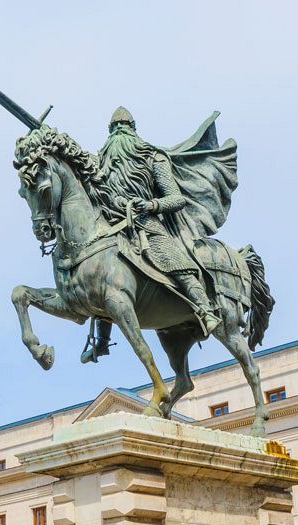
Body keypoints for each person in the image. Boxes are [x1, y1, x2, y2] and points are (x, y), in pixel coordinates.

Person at [80, 107, 221, 363]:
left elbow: (176, 199)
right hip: (111, 224)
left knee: (172, 260)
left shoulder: (154, 158)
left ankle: (205, 308)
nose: (119, 132)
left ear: (133, 129)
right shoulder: (100, 161)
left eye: (123, 127)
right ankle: (101, 342)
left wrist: (150, 205)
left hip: (146, 222)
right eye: (116, 128)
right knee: (97, 272)